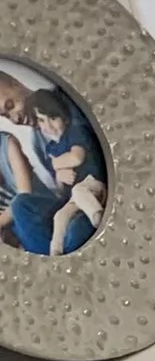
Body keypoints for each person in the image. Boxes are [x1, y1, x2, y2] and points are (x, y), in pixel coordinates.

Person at [0, 62, 105, 256]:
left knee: (76, 230)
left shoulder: (65, 103)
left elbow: (86, 152)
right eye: (6, 116)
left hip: (92, 191)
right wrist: (60, 176)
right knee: (22, 205)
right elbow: (59, 189)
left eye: (10, 105)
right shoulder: (37, 141)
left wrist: (60, 164)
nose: (15, 119)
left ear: (16, 84)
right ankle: (51, 258)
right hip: (68, 199)